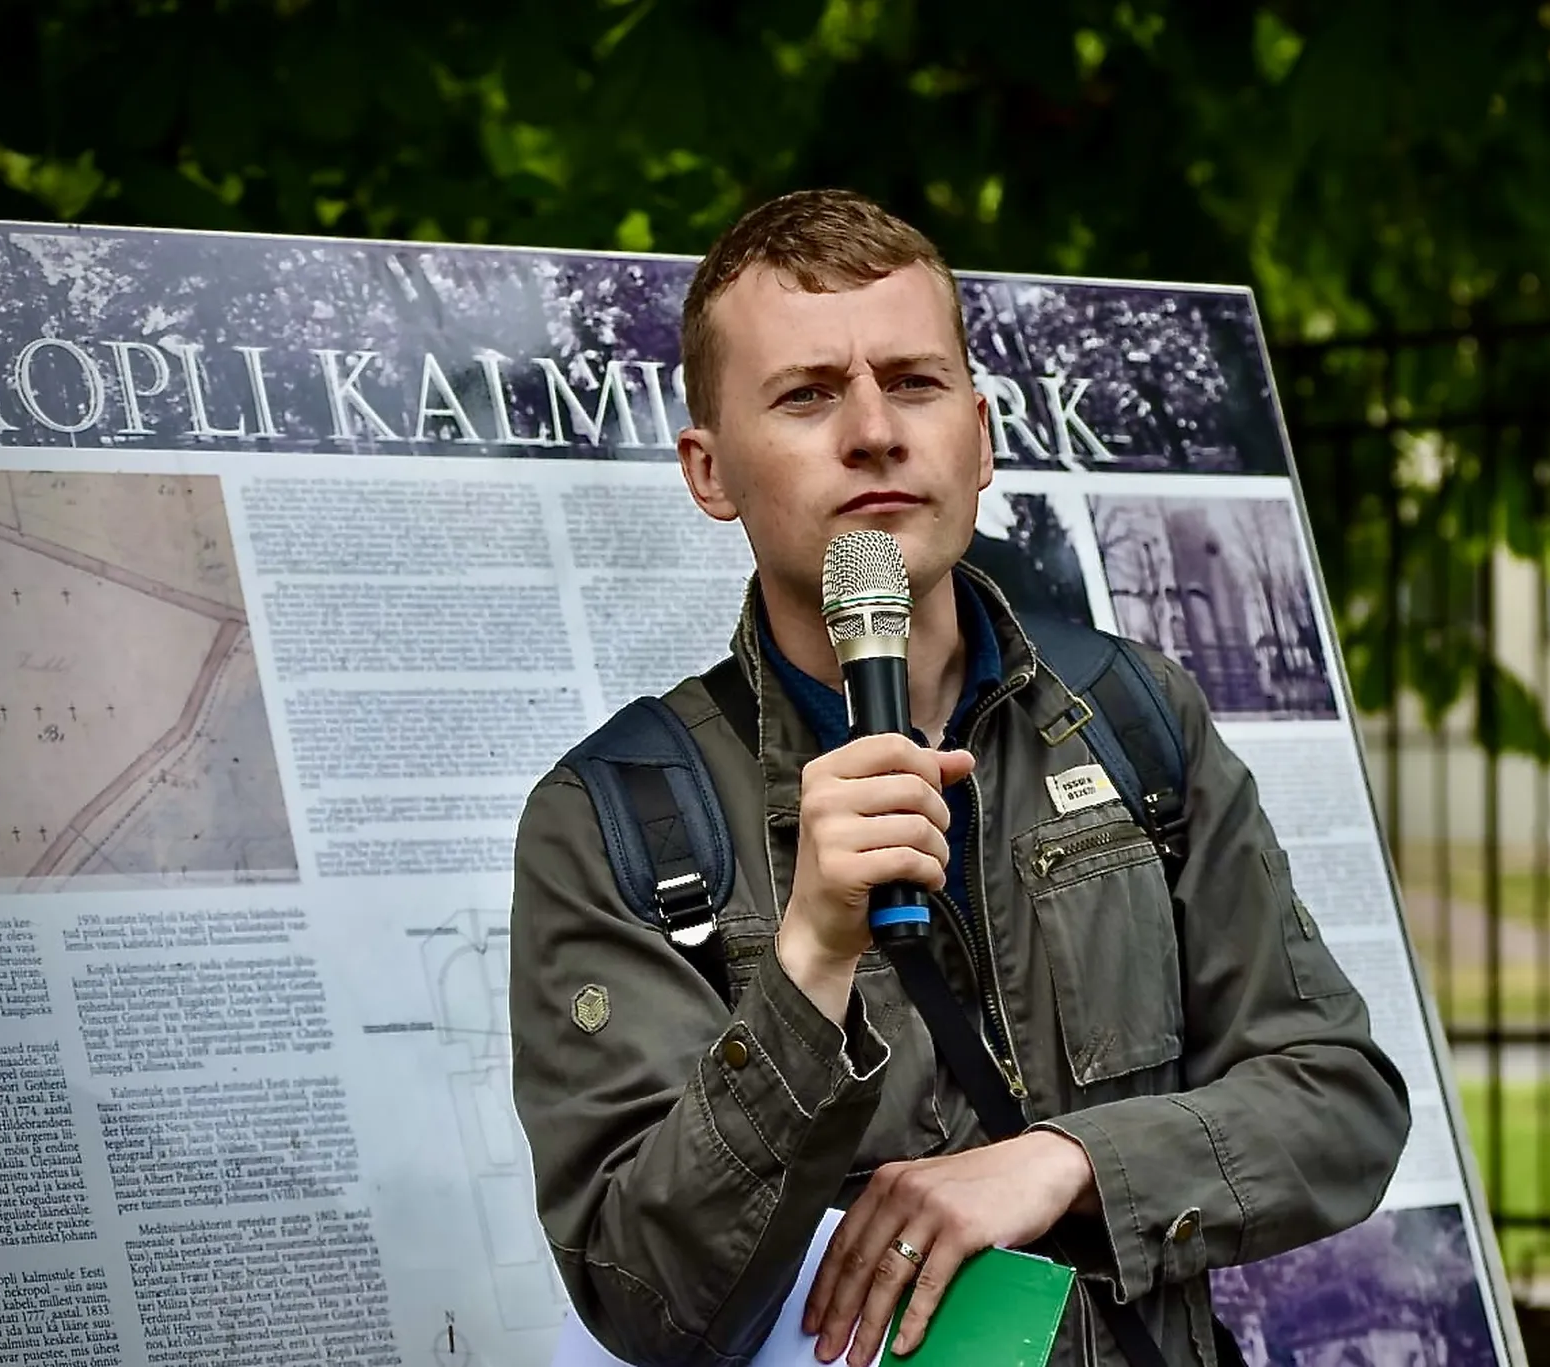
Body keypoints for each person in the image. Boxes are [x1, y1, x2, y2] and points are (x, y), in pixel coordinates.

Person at [508, 188, 1411, 1367]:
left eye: (915, 382)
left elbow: (1339, 1098)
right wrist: (810, 960)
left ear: (980, 439)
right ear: (708, 466)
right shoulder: (613, 819)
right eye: (807, 394)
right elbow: (651, 1298)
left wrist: (1067, 1160)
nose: (875, 430)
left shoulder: (1133, 719)